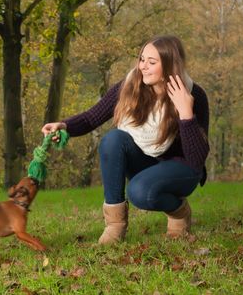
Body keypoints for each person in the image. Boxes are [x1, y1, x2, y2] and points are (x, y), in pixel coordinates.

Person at [41, 35, 209, 243]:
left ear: (169, 65)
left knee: (141, 193)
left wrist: (186, 114)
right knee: (113, 139)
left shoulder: (194, 95)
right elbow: (92, 117)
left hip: (181, 169)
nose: (143, 67)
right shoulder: (131, 86)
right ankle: (115, 225)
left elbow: (196, 160)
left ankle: (178, 211)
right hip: (147, 161)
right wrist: (64, 125)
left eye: (151, 62)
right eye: (142, 59)